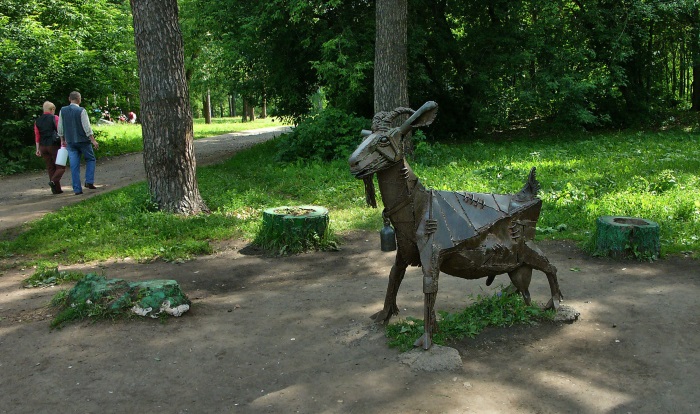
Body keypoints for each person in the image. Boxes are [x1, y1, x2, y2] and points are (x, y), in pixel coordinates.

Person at [58, 91, 100, 195]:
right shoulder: (81, 111)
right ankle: (89, 181)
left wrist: (62, 139)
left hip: (70, 141)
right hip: (83, 141)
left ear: (69, 99)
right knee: (90, 159)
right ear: (79, 99)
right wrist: (93, 140)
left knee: (74, 165)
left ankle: (77, 189)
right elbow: (87, 127)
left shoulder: (63, 110)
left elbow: (60, 127)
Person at [34, 101, 66, 194]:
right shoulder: (55, 118)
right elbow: (60, 131)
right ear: (52, 109)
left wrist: (37, 149)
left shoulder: (38, 121)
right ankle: (53, 182)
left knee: (50, 168)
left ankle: (56, 190)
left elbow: (37, 136)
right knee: (60, 167)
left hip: (43, 146)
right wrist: (63, 141)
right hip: (53, 145)